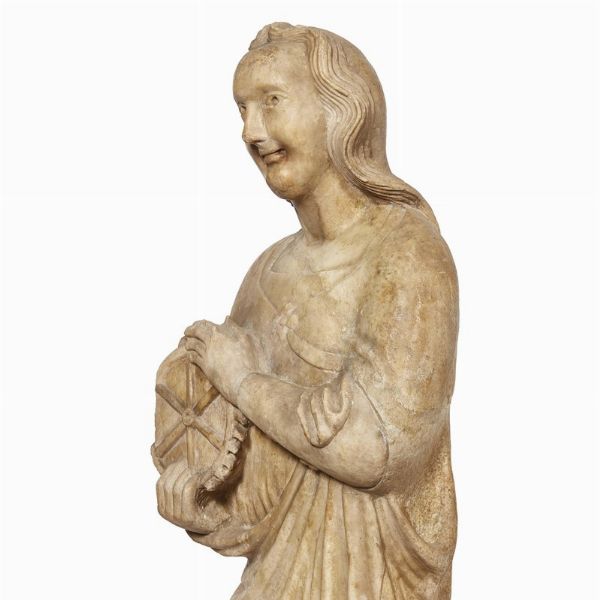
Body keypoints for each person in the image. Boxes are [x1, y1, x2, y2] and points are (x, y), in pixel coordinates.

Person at [157, 23, 459, 600]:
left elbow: (376, 452)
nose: (251, 131)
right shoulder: (267, 273)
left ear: (342, 111)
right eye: (242, 109)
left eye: (271, 101)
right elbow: (252, 474)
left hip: (370, 582)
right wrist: (201, 500)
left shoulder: (408, 254)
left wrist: (244, 382)